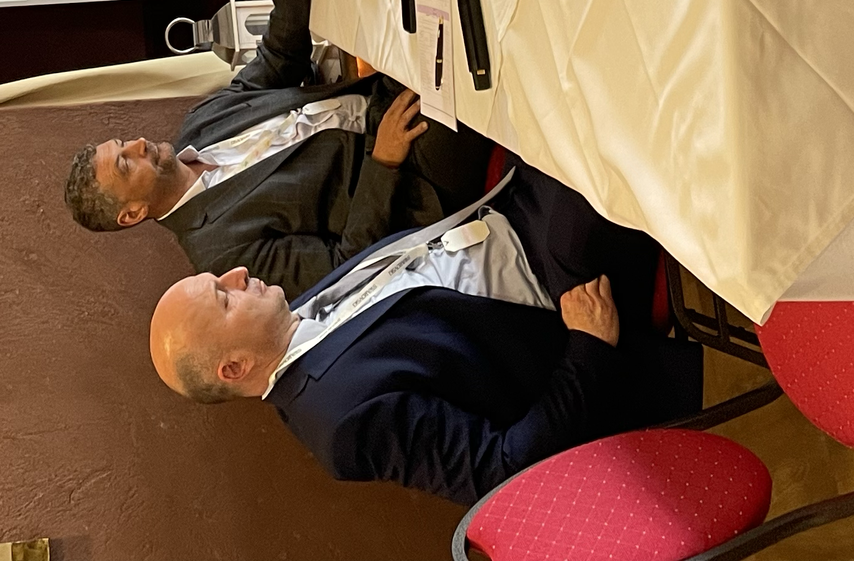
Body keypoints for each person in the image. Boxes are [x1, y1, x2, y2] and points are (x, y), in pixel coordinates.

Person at [148, 161, 704, 504]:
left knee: (554, 89)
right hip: (557, 291)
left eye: (218, 277)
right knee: (604, 145)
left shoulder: (297, 317)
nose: (236, 273)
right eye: (223, 295)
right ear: (234, 368)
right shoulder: (342, 423)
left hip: (507, 211)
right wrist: (588, 349)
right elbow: (502, 470)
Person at [63, 0, 495, 293]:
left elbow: (277, 63)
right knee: (475, 43)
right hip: (413, 177)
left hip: (383, 94)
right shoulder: (221, 253)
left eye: (123, 142)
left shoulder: (199, 126)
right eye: (125, 163)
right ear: (133, 213)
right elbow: (345, 262)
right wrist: (384, 163)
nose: (139, 143)